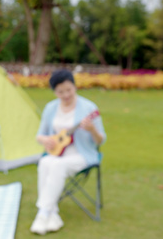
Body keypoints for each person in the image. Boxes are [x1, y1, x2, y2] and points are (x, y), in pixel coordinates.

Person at [30, 69, 106, 235]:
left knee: (56, 166)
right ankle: (52, 214)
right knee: (44, 162)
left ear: (74, 86)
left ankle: (42, 213)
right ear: (54, 92)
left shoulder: (89, 108)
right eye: (60, 92)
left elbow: (101, 140)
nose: (65, 95)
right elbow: (39, 135)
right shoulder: (51, 108)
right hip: (56, 153)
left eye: (69, 90)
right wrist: (46, 140)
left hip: (82, 155)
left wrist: (92, 129)